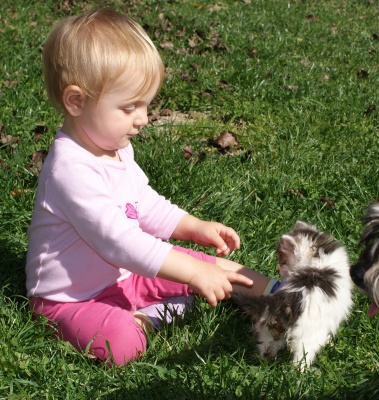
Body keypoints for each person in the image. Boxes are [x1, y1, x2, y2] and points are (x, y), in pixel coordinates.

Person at [26, 8, 280, 366]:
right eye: (130, 107)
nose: (143, 119)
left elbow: (143, 203)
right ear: (76, 101)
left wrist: (194, 227)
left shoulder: (115, 148)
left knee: (221, 269)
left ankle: (282, 298)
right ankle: (154, 316)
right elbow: (119, 241)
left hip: (128, 274)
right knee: (121, 344)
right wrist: (190, 272)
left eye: (146, 105)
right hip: (72, 299)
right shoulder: (70, 171)